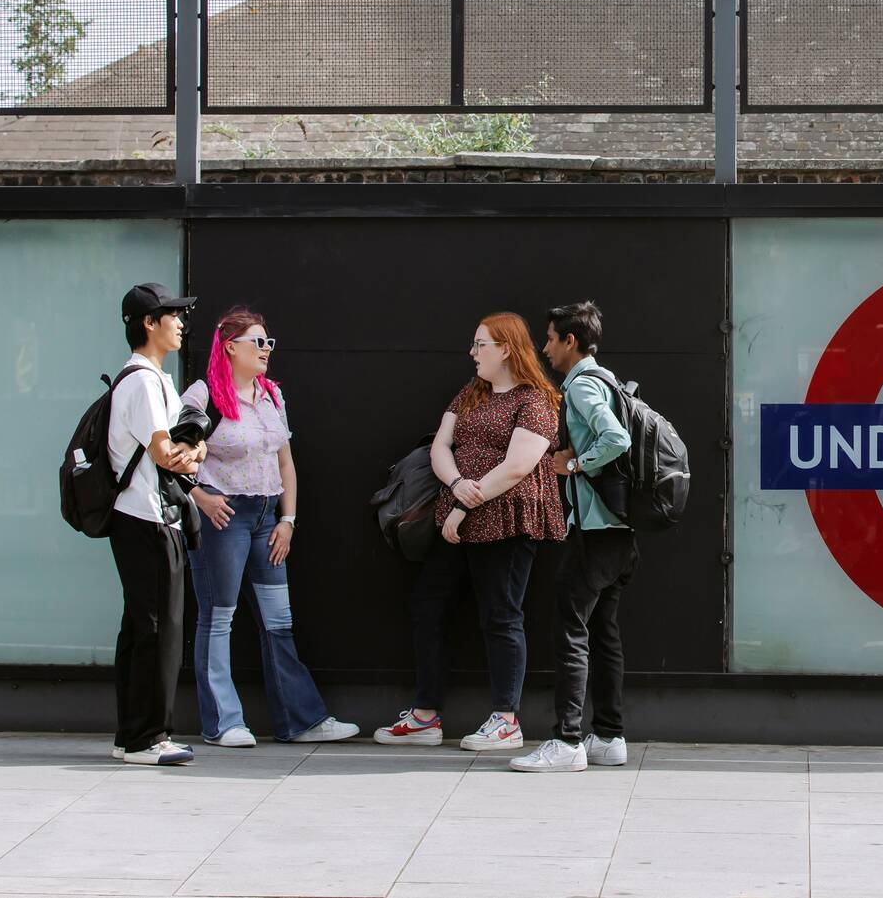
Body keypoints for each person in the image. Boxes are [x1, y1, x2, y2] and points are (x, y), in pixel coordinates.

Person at [375, 312, 565, 751]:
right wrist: (457, 484)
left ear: (506, 349)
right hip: (456, 516)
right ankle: (425, 717)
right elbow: (440, 445)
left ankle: (506, 720)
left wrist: (462, 503)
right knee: (428, 604)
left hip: (509, 518)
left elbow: (519, 466)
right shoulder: (472, 392)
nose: (473, 352)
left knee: (501, 615)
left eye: (481, 344)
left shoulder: (535, 399)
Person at [180, 307, 360, 748]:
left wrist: (288, 520)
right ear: (230, 347)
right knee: (218, 618)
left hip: (266, 519)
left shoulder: (272, 396)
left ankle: (300, 720)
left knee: (279, 621)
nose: (266, 350)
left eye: (268, 343)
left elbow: (285, 462)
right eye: (258, 342)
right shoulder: (202, 397)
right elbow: (174, 460)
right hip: (223, 518)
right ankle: (223, 723)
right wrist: (201, 497)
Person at [512, 300, 634, 774]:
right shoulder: (608, 380)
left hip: (595, 532)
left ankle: (566, 741)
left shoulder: (583, 387)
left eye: (549, 338)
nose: (544, 347)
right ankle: (608, 735)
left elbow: (617, 439)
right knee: (604, 634)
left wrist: (576, 464)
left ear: (570, 341)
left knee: (571, 632)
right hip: (620, 534)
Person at [107, 282, 205, 767]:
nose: (181, 323)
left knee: (141, 626)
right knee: (158, 628)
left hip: (142, 516)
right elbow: (165, 453)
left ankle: (132, 734)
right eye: (173, 314)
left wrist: (193, 450)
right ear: (149, 323)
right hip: (147, 516)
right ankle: (149, 738)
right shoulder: (144, 381)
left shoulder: (149, 379)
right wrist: (196, 453)